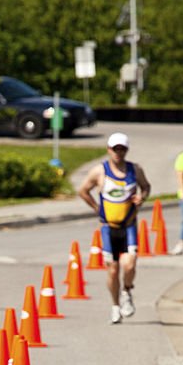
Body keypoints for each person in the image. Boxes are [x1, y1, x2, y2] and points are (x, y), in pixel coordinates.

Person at [77, 131, 150, 323]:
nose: (118, 152)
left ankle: (127, 291)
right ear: (108, 150)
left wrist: (141, 198)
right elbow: (83, 190)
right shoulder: (99, 171)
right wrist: (96, 207)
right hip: (109, 228)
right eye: (115, 149)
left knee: (130, 264)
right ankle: (115, 306)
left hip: (128, 226)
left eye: (122, 149)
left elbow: (146, 187)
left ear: (126, 150)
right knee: (113, 270)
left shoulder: (135, 170)